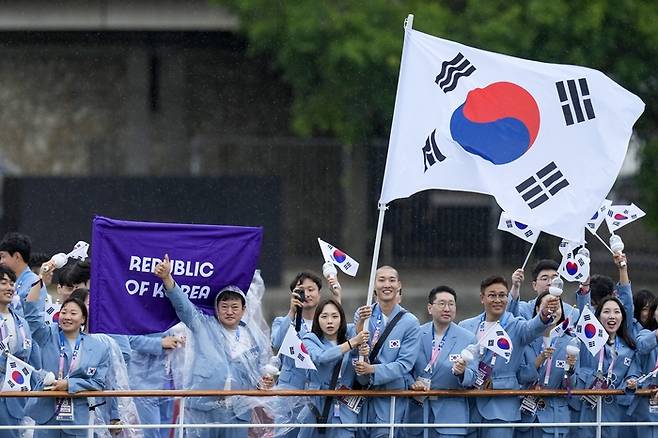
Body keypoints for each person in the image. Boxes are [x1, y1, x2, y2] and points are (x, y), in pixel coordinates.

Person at [153, 254, 271, 438]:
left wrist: (266, 381)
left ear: (244, 310)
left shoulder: (254, 337)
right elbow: (183, 306)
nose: (229, 311)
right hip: (203, 411)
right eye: (224, 306)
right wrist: (167, 278)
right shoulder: (203, 325)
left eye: (234, 307)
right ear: (216, 308)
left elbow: (261, 371)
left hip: (238, 413)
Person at [458, 275, 559, 438]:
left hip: (502, 405)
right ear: (482, 298)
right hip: (470, 404)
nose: (498, 300)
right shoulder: (466, 326)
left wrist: (544, 314)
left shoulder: (517, 325)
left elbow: (533, 328)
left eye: (502, 295)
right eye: (492, 295)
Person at [24, 277, 111, 438]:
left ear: (83, 319)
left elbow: (98, 383)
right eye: (63, 312)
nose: (67, 317)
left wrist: (70, 384)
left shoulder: (100, 347)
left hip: (78, 417)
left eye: (73, 313)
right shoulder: (48, 335)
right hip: (46, 415)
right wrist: (38, 281)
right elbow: (31, 315)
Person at [353, 265, 420, 438]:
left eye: (391, 280)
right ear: (374, 286)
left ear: (399, 285)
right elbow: (355, 348)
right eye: (381, 280)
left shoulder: (410, 322)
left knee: (384, 433)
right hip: (361, 393)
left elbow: (405, 364)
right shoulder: (363, 314)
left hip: (390, 395)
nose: (386, 284)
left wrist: (373, 370)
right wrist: (359, 326)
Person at [406, 285, 478, 438]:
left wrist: (462, 372)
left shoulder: (467, 337)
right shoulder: (416, 334)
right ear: (430, 308)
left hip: (450, 415)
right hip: (417, 413)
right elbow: (403, 367)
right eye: (442, 303)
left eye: (451, 304)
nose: (447, 308)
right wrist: (412, 382)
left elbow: (473, 376)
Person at [297, 298, 370, 438]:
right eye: (324, 316)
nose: (329, 321)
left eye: (335, 316)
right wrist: (353, 342)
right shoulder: (310, 339)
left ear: (341, 319)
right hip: (317, 410)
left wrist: (364, 358)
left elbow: (363, 381)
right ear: (317, 319)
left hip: (344, 412)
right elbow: (322, 357)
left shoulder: (351, 341)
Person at [574, 296, 640, 438]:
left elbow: (633, 373)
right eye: (606, 311)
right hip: (585, 405)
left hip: (612, 407)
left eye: (617, 312)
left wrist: (632, 382)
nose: (612, 316)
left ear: (622, 317)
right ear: (598, 316)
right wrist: (585, 289)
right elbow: (583, 312)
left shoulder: (629, 348)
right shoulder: (589, 340)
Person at [516, 291, 579, 438]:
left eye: (556, 307)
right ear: (538, 310)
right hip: (526, 416)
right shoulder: (526, 338)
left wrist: (570, 369)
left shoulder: (571, 343)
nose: (553, 311)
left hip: (555, 418)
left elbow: (569, 387)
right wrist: (541, 358)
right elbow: (521, 376)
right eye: (548, 306)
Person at [0, 266, 37, 438]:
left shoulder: (21, 322)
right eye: (3, 283)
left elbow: (30, 358)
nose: (9, 287)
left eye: (12, 283)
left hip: (15, 391)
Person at [508, 259, 579, 323]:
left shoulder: (572, 313)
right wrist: (515, 286)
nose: (550, 283)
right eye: (545, 279)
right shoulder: (525, 309)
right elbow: (511, 317)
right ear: (534, 285)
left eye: (555, 279)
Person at [0, 232, 47, 316]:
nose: (1, 261)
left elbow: (33, 321)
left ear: (17, 256)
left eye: (3, 256)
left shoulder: (34, 282)